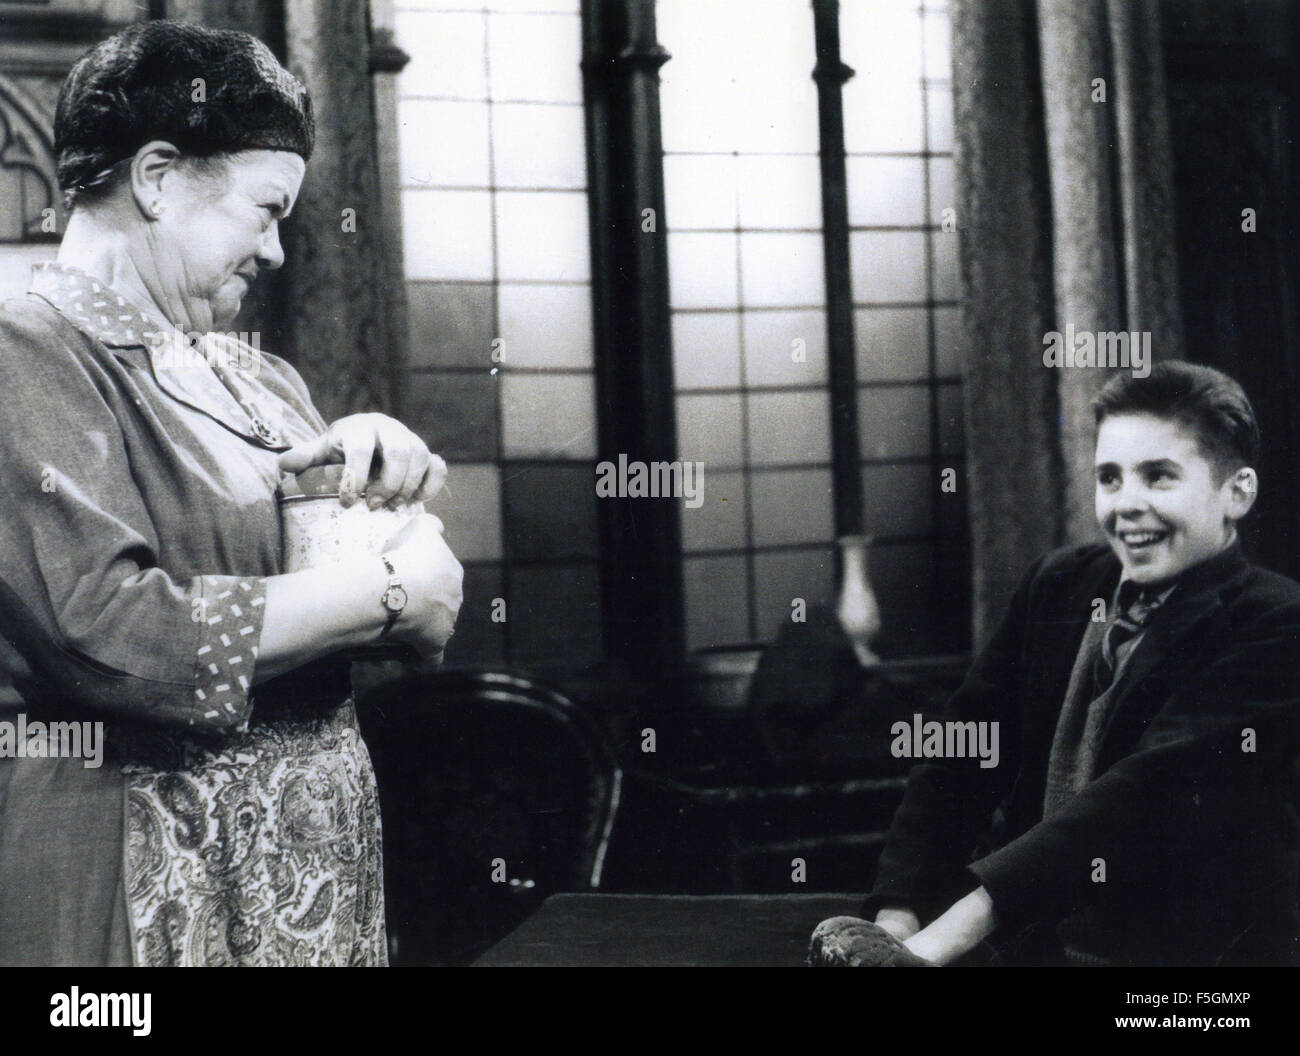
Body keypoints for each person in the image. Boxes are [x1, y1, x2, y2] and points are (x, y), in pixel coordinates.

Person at [0, 21, 463, 966]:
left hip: (306, 880)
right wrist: (384, 591)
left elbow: (438, 612)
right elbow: (113, 636)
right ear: (159, 178)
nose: (280, 251)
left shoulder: (265, 382)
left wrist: (379, 489)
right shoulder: (28, 352)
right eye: (266, 209)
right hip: (137, 872)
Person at [821, 361, 1300, 966]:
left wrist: (936, 946)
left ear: (1238, 492)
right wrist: (898, 914)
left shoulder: (1278, 623)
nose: (1127, 505)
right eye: (1109, 477)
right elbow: (965, 748)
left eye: (1158, 477)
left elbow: (1139, 802)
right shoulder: (1060, 584)